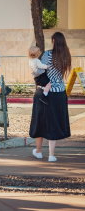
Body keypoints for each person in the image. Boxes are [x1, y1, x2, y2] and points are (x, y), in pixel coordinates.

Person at [30, 32, 71, 162]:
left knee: (40, 121)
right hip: (60, 92)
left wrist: (33, 72)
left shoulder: (48, 54)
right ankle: (52, 155)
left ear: (53, 40)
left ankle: (38, 152)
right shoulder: (66, 57)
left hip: (45, 92)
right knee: (54, 122)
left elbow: (41, 70)